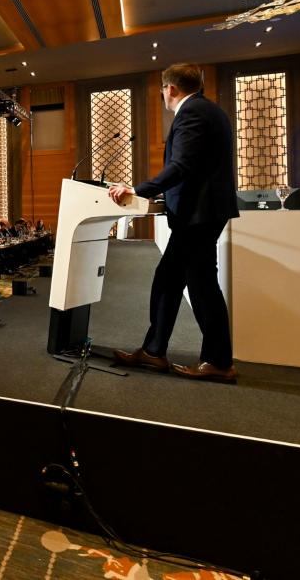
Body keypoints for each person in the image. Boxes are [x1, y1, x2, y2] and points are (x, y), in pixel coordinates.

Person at [107, 63, 240, 383]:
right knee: (168, 279)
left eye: (162, 90)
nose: (162, 95)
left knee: (202, 285)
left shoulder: (191, 113)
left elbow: (182, 165)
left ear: (170, 89)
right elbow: (194, 167)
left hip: (198, 215)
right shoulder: (210, 110)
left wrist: (137, 189)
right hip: (199, 213)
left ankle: (219, 361)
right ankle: (154, 351)